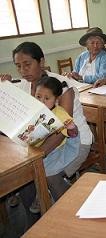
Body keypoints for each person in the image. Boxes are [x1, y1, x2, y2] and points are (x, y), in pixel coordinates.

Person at [0, 42, 92, 202]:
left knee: (48, 173)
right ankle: (35, 215)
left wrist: (37, 156)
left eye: (27, 64)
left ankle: (69, 208)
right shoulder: (22, 86)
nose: (23, 71)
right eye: (18, 66)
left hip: (73, 142)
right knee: (22, 174)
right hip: (39, 144)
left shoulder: (61, 85)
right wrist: (4, 89)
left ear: (41, 62)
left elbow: (61, 130)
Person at [29, 76, 79, 213]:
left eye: (47, 98)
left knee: (44, 170)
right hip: (36, 149)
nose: (41, 102)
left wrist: (71, 128)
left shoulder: (60, 113)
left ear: (56, 100)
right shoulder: (34, 112)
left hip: (57, 151)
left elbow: (73, 134)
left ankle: (46, 195)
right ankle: (41, 193)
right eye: (38, 97)